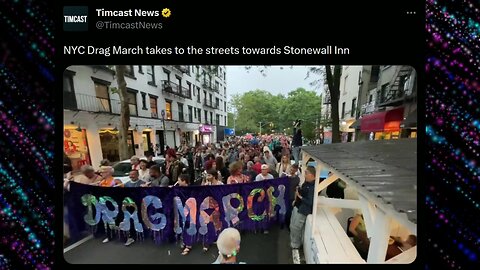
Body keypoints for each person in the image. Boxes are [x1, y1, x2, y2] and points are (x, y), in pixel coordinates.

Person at [290, 166, 316, 250]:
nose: (305, 175)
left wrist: (300, 197)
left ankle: (296, 244)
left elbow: (310, 201)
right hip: (297, 206)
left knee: (297, 227)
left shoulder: (313, 188)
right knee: (292, 226)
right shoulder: (306, 183)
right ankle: (293, 241)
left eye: (306, 173)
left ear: (312, 175)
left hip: (303, 210)